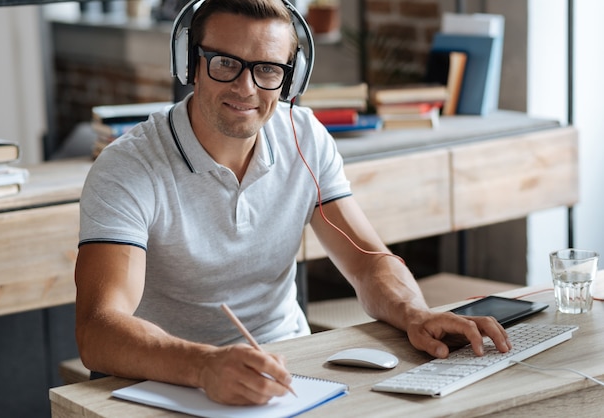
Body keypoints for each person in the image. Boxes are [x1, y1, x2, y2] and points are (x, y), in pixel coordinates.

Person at [74, 0, 511, 406]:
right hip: (167, 381)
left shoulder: (304, 136)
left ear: (290, 78)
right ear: (191, 64)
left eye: (267, 69)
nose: (246, 87)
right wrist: (205, 366)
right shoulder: (129, 167)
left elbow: (367, 262)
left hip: (288, 369)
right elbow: (98, 329)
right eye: (225, 63)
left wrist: (415, 313)